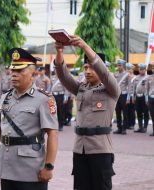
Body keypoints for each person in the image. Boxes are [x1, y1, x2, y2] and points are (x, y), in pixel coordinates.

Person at [54, 35, 120, 190]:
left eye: (91, 67)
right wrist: (59, 52)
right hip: (80, 148)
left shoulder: (111, 89)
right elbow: (63, 76)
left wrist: (84, 46)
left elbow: (103, 72)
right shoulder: (81, 88)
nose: (88, 71)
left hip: (100, 149)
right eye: (85, 68)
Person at [0, 48, 58, 190]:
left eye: (20, 71)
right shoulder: (5, 98)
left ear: (33, 74)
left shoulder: (43, 99)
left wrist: (49, 166)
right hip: (7, 165)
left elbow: (52, 133)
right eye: (13, 71)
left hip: (30, 169)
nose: (14, 75)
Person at [113, 59, 128, 135]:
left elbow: (129, 86)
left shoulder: (127, 74)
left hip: (124, 95)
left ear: (123, 66)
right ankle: (119, 127)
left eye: (120, 65)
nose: (118, 67)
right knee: (117, 111)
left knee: (124, 112)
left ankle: (124, 128)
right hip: (116, 95)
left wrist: (129, 97)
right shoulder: (115, 74)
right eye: (118, 65)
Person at [133, 63, 149, 133]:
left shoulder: (148, 77)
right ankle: (140, 127)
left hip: (144, 97)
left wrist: (147, 99)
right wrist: (133, 97)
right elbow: (134, 88)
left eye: (142, 69)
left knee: (145, 112)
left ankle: (145, 127)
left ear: (145, 70)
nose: (141, 71)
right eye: (140, 69)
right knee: (138, 112)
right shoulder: (136, 78)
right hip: (137, 97)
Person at [126, 63, 136, 129]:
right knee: (126, 110)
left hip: (132, 95)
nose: (129, 70)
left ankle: (132, 124)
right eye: (128, 69)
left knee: (132, 110)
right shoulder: (125, 77)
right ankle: (127, 123)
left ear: (132, 69)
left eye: (130, 69)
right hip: (125, 95)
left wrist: (134, 97)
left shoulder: (135, 77)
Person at [147, 62, 154, 136]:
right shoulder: (149, 77)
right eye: (153, 68)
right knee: (152, 115)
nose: (153, 69)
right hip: (151, 98)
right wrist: (146, 98)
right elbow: (147, 89)